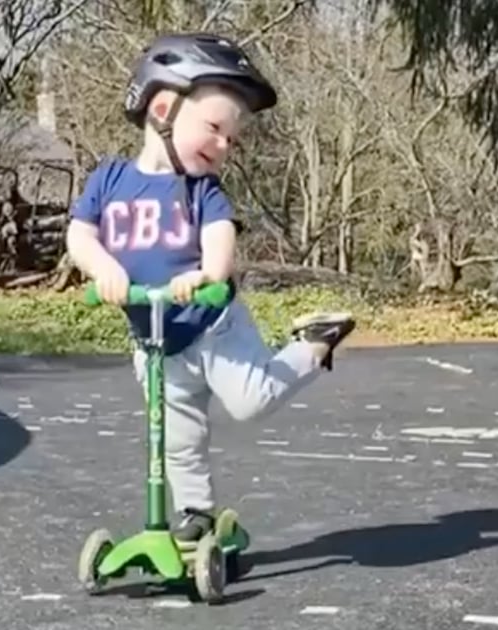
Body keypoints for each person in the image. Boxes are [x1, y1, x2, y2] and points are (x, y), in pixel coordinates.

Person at [65, 32, 357, 546]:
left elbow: (221, 238)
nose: (224, 146)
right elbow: (80, 235)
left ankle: (314, 344)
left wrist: (207, 276)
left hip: (212, 326)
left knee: (252, 402)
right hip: (155, 339)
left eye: (231, 138)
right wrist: (102, 268)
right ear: (162, 107)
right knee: (176, 436)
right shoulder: (109, 180)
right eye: (216, 129)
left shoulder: (203, 190)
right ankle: (195, 513)